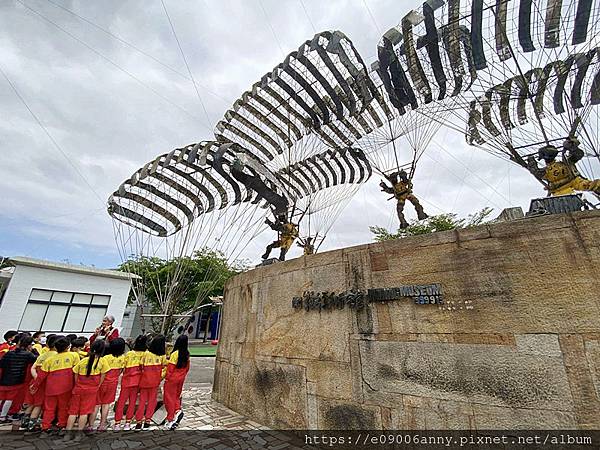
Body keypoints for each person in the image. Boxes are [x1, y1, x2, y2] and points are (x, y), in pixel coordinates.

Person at [30, 337, 80, 434]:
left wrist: (35, 386)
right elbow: (76, 372)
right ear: (68, 347)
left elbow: (41, 376)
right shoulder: (74, 356)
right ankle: (61, 425)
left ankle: (45, 427)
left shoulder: (49, 360)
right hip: (66, 388)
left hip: (50, 388)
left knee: (49, 408)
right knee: (64, 407)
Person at [64, 340, 109, 442]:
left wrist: (78, 384)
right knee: (84, 412)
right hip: (91, 391)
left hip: (78, 389)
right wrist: (98, 385)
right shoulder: (102, 361)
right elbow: (103, 375)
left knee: (73, 412)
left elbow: (75, 373)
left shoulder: (83, 360)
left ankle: (67, 434)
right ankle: (79, 435)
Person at [527, 137, 600, 196]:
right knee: (591, 185)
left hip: (562, 189)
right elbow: (578, 155)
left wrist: (531, 162)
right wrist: (572, 147)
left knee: (591, 185)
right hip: (571, 184)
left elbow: (536, 172)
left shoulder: (548, 170)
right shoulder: (565, 163)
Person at [22, 334, 58, 431]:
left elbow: (33, 368)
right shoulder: (56, 356)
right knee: (38, 405)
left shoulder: (42, 355)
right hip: (43, 383)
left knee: (31, 403)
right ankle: (32, 425)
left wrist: (36, 378)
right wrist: (40, 380)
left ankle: (24, 422)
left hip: (34, 381)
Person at [114, 335, 147, 431]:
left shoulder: (129, 354)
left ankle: (117, 423)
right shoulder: (146, 354)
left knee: (121, 402)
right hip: (137, 382)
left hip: (126, 381)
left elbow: (122, 367)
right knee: (132, 402)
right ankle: (128, 423)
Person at [0, 336, 37, 423]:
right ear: (29, 345)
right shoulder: (28, 355)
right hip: (17, 380)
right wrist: (34, 350)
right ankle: (3, 416)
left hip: (4, 378)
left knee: (1, 398)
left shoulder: (9, 353)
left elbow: (1, 364)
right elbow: (37, 359)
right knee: (9, 399)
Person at [135, 335, 167, 430]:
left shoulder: (146, 354)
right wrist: (160, 377)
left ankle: (139, 421)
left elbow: (141, 366)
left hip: (144, 382)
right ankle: (147, 420)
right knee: (152, 401)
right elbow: (165, 368)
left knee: (142, 401)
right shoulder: (162, 356)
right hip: (155, 382)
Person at [93, 338, 126, 431]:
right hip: (113, 384)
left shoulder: (105, 358)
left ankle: (90, 424)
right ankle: (102, 424)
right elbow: (121, 371)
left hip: (101, 383)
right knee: (106, 404)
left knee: (96, 404)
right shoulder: (122, 358)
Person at [163, 335, 190, 430]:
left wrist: (167, 378)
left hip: (172, 379)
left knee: (169, 398)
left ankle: (170, 418)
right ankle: (178, 410)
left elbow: (170, 369)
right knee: (176, 396)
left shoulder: (175, 354)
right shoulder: (187, 354)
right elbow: (187, 368)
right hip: (181, 379)